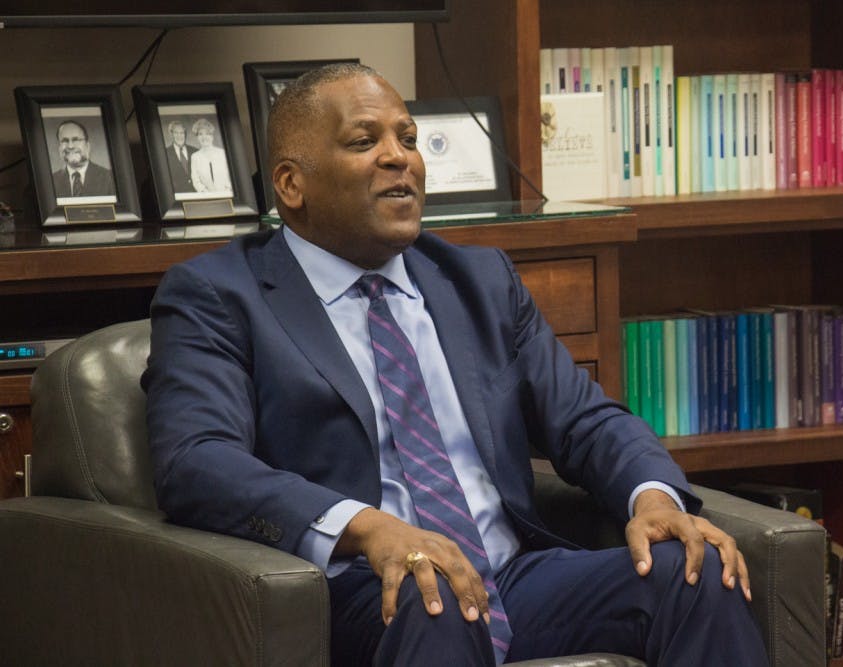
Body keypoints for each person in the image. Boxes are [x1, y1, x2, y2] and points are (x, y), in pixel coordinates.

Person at [142, 63, 769, 667]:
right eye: (364, 141)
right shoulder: (219, 295)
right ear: (290, 185)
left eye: (408, 139)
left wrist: (653, 499)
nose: (399, 158)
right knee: (433, 593)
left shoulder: (479, 281)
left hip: (510, 578)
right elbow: (196, 460)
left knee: (696, 569)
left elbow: (585, 420)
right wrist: (369, 528)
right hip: (357, 591)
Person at [51, 120, 115, 198]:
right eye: (65, 141)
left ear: (87, 145)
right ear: (59, 147)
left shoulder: (109, 178)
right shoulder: (51, 181)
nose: (70, 146)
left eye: (76, 140)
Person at [188, 117, 232, 194]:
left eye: (207, 133)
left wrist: (226, 191)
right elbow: (196, 180)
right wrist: (206, 193)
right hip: (206, 196)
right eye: (200, 134)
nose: (204, 137)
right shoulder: (195, 157)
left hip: (227, 194)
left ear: (212, 136)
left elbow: (231, 176)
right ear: (197, 137)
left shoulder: (222, 153)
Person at [164, 120, 196, 193]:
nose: (179, 136)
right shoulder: (165, 153)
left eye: (182, 133)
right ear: (171, 135)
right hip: (177, 195)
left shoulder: (195, 151)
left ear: (185, 134)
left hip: (196, 194)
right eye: (176, 133)